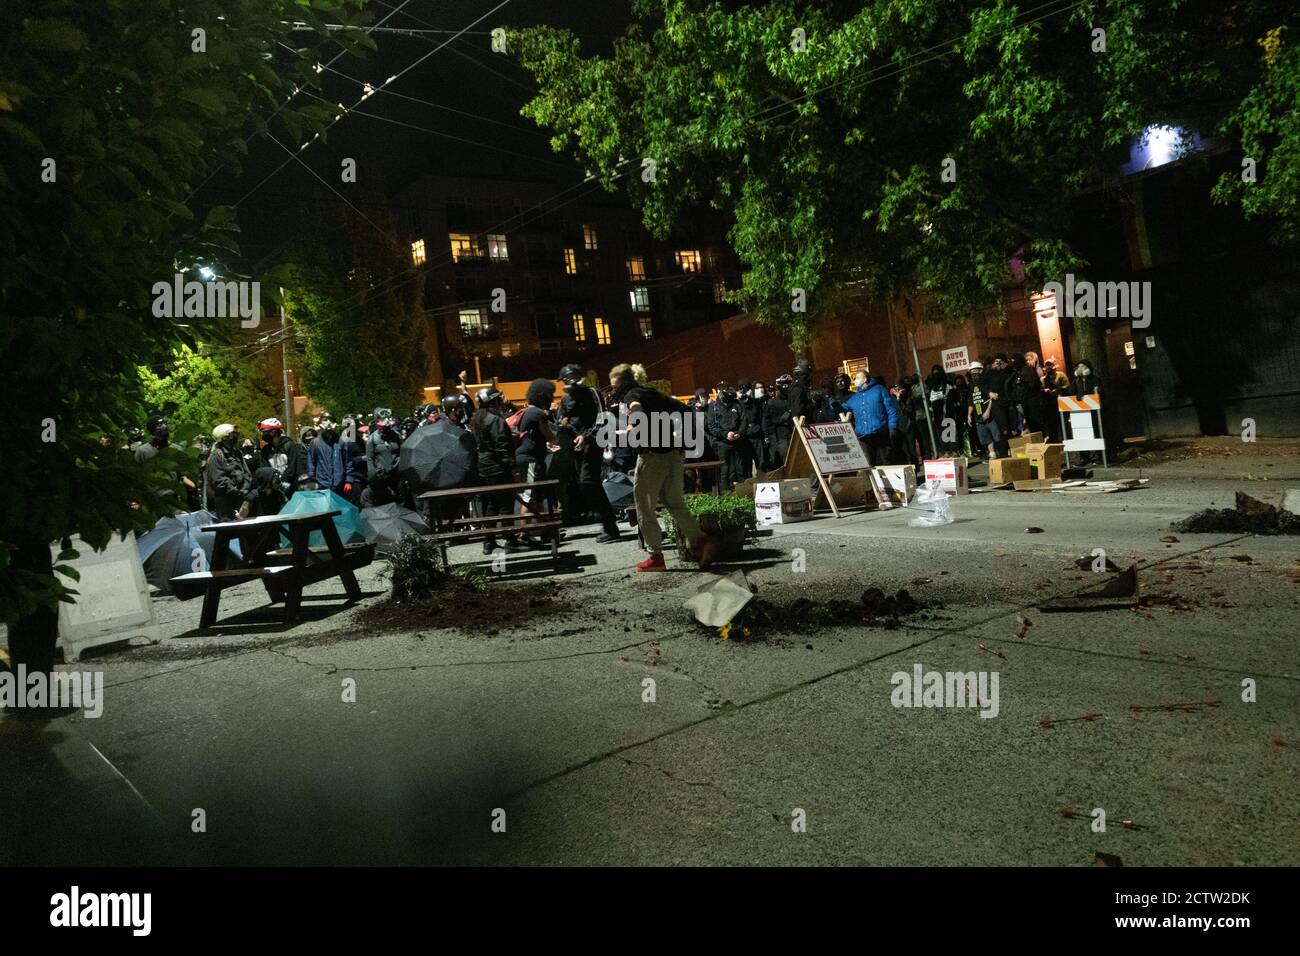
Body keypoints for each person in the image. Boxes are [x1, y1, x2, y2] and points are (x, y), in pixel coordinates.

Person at [609, 363, 715, 572]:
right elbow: (686, 410)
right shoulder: (654, 394)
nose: (614, 391)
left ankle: (655, 556)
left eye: (614, 386)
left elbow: (636, 409)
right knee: (674, 501)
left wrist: (631, 426)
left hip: (653, 456)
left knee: (644, 504)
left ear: (623, 383)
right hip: (675, 453)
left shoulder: (632, 395)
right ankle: (701, 541)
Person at [559, 363, 622, 543]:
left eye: (569, 378)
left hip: (593, 444)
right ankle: (607, 524)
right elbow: (562, 421)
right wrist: (565, 429)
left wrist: (586, 437)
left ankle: (611, 527)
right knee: (585, 483)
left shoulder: (593, 393)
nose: (568, 382)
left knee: (588, 481)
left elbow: (602, 419)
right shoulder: (565, 399)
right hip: (576, 447)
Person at [470, 388, 528, 555]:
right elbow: (501, 446)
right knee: (505, 504)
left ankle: (488, 542)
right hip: (498, 468)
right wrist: (511, 465)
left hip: (484, 468)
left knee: (491, 506)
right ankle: (510, 541)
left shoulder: (478, 419)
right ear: (494, 402)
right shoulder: (495, 420)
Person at [515, 378, 559, 532]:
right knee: (529, 496)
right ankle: (523, 534)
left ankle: (542, 530)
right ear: (544, 396)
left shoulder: (527, 411)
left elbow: (533, 438)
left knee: (537, 495)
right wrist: (563, 428)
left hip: (528, 458)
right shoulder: (538, 413)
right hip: (530, 460)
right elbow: (551, 436)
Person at [841, 368, 898, 465]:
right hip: (863, 437)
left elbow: (890, 409)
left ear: (865, 379)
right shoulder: (855, 397)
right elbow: (842, 408)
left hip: (880, 434)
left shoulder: (879, 390)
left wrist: (893, 427)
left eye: (857, 377)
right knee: (868, 464)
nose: (855, 380)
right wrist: (832, 403)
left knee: (886, 462)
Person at [705, 382, 749, 490]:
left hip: (738, 440)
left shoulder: (737, 404)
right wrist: (725, 434)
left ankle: (742, 493)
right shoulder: (713, 407)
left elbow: (744, 420)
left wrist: (739, 433)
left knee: (740, 468)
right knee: (725, 470)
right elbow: (712, 427)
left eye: (725, 388)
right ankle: (725, 494)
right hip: (722, 442)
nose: (723, 391)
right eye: (721, 388)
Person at [205, 423, 252, 521]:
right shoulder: (216, 456)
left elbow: (247, 473)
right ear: (223, 438)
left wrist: (244, 489)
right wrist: (235, 490)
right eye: (232, 435)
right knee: (227, 531)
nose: (235, 437)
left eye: (235, 434)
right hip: (225, 503)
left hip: (241, 498)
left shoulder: (237, 453)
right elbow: (219, 480)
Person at [258, 417, 307, 502]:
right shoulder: (265, 451)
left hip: (293, 488)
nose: (263, 435)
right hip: (276, 490)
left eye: (265, 432)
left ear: (273, 432)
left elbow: (293, 466)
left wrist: (285, 480)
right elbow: (265, 469)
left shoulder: (289, 445)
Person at [967, 361, 1008, 460]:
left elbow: (991, 397)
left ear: (981, 371)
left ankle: (1003, 453)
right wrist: (969, 415)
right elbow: (971, 401)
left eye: (975, 371)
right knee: (985, 437)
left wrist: (988, 411)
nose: (973, 374)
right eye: (971, 372)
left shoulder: (986, 383)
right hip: (978, 416)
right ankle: (992, 453)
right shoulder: (971, 386)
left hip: (989, 415)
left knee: (996, 435)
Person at [362, 409, 402, 507]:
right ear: (377, 421)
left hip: (397, 475)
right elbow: (370, 459)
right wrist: (373, 477)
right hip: (381, 477)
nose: (386, 421)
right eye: (383, 419)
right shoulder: (372, 439)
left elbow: (402, 452)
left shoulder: (396, 435)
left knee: (400, 502)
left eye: (388, 418)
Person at [307, 414, 354, 496]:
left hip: (339, 485)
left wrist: (348, 480)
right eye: (325, 420)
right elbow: (311, 462)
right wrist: (312, 480)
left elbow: (348, 462)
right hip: (322, 484)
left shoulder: (342, 441)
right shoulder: (315, 442)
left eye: (331, 420)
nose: (328, 423)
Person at [763, 374, 795, 468]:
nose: (786, 387)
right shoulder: (772, 402)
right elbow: (768, 420)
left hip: (796, 432)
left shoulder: (794, 399)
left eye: (788, 384)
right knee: (786, 458)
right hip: (782, 435)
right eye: (784, 384)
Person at [944, 373, 970, 455]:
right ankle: (960, 450)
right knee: (959, 434)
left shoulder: (967, 390)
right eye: (957, 382)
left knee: (969, 433)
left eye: (960, 382)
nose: (959, 384)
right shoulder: (952, 392)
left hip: (966, 413)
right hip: (957, 416)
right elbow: (949, 405)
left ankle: (971, 449)